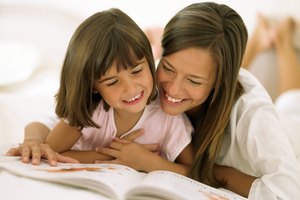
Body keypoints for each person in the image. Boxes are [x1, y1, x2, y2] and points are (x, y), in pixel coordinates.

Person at [6, 2, 300, 199]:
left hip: (292, 130)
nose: (170, 88)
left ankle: (283, 40)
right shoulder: (144, 83)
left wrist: (152, 163)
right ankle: (258, 41)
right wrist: (34, 138)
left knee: (290, 103)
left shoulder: (254, 115)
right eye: (167, 67)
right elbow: (62, 119)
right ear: (157, 56)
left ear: (220, 81)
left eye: (194, 80)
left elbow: (285, 191)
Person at [6, 8, 194, 175]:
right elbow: (51, 151)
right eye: (112, 82)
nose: (130, 88)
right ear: (94, 86)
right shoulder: (91, 111)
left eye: (136, 71)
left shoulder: (169, 118)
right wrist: (116, 156)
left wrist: (149, 162)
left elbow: (195, 172)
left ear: (150, 60)